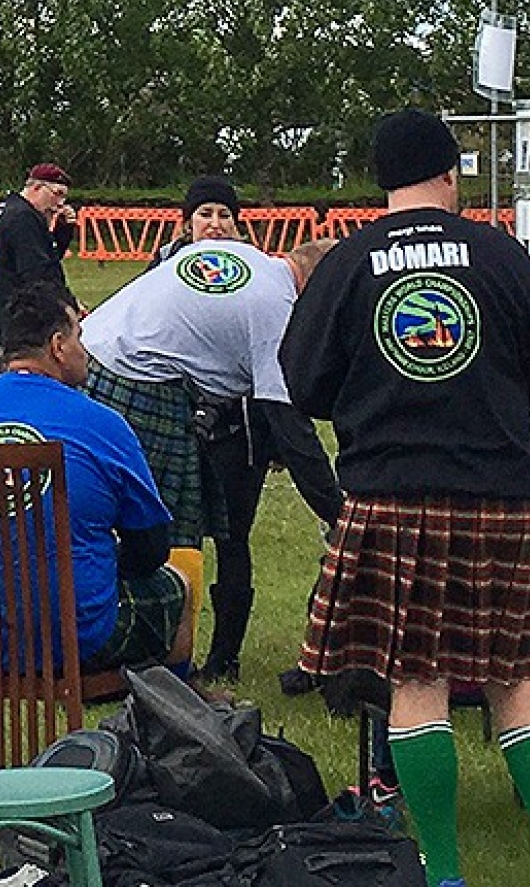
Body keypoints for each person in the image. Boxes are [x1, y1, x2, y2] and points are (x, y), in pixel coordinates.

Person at [282, 108, 530, 887]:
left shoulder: (346, 263)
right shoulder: (500, 256)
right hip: (501, 493)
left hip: (390, 491)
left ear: (381, 179)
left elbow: (302, 382)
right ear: (448, 173)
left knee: (418, 681)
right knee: (515, 676)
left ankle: (442, 873)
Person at [0, 281, 192, 671]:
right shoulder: (103, 425)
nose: (86, 350)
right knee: (178, 585)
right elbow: (150, 548)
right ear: (58, 346)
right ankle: (166, 719)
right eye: (80, 335)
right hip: (74, 639)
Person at [150, 175, 345, 682]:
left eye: (224, 215)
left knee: (234, 539)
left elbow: (273, 374)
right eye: (205, 214)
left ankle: (225, 655)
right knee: (170, 536)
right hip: (175, 422)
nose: (215, 224)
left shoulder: (258, 279)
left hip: (240, 428)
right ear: (186, 222)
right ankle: (168, 649)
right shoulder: (163, 270)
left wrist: (278, 439)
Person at [80, 233, 332, 555]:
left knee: (110, 512)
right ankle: (145, 601)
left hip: (92, 357)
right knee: (165, 534)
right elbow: (291, 430)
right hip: (137, 379)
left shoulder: (243, 255)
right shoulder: (277, 308)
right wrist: (336, 513)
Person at [0, 163, 76, 379]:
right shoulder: (23, 218)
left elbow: (38, 257)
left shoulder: (8, 210)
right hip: (16, 326)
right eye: (57, 194)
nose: (60, 203)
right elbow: (37, 273)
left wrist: (62, 231)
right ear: (36, 187)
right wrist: (66, 305)